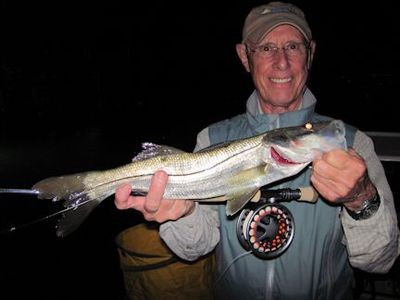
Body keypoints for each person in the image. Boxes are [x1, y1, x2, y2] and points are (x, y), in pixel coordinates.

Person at [114, 2, 400, 299]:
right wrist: (181, 214)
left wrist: (361, 198)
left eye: (293, 46)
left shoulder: (352, 144)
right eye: (265, 48)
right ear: (244, 56)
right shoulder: (211, 137)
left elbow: (381, 261)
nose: (281, 62)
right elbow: (195, 248)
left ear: (310, 52)